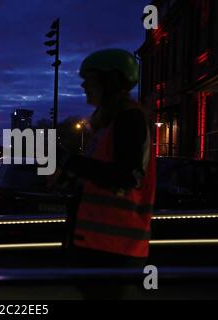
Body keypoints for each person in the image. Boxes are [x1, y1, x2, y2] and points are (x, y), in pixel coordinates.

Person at [51, 49, 157, 299]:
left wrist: (68, 161)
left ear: (110, 82)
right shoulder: (108, 124)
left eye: (91, 78)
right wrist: (68, 176)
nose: (84, 84)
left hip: (113, 251)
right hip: (101, 246)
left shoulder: (129, 119)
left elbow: (124, 176)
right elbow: (100, 174)